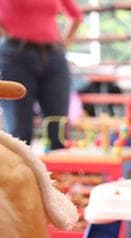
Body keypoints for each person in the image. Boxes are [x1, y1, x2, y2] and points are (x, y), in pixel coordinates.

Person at [0, 0, 83, 150]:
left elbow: (76, 15)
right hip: (15, 55)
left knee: (58, 129)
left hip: (54, 55)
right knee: (19, 132)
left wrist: (64, 43)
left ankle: (56, 165)